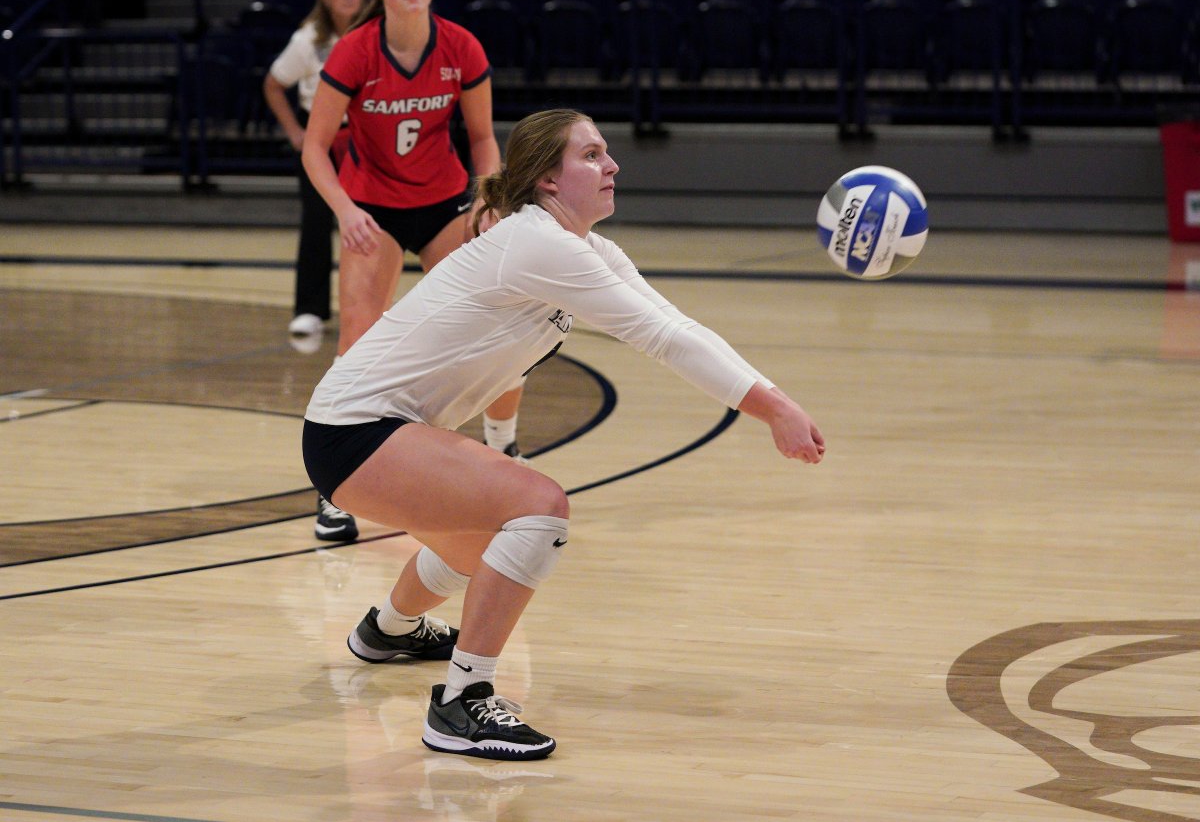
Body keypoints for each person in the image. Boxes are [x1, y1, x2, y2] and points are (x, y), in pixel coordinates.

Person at [301, 108, 827, 760]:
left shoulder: (585, 249)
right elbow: (663, 339)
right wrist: (772, 408)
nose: (612, 166)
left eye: (606, 154)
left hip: (375, 429)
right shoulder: (535, 243)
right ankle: (463, 702)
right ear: (549, 180)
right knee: (536, 507)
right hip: (353, 429)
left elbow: (675, 323)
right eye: (592, 155)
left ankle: (389, 630)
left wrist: (772, 399)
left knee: (478, 545)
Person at [301, 0, 525, 544]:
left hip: (446, 201)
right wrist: (344, 210)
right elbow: (314, 146)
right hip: (371, 205)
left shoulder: (460, 46)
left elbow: (481, 138)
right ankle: (333, 492)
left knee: (492, 328)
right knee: (357, 342)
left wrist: (487, 196)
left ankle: (505, 448)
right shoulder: (353, 52)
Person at [263, 0, 366, 347]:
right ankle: (310, 310)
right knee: (317, 221)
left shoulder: (373, 35)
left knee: (371, 224)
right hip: (322, 139)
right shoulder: (308, 39)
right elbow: (273, 84)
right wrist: (294, 132)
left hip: (364, 138)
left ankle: (366, 310)